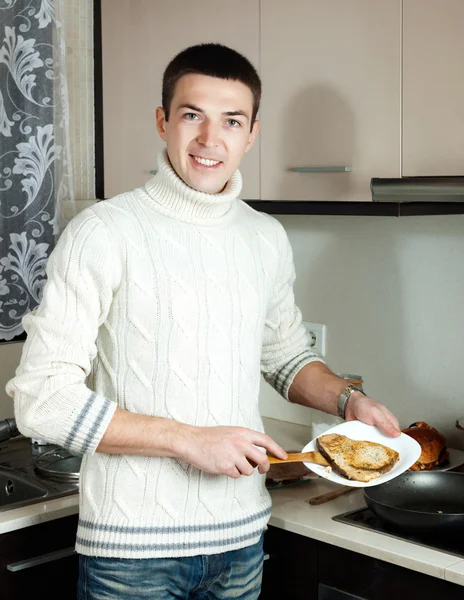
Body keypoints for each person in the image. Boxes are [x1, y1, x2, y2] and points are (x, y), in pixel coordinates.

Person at [6, 43, 400, 599]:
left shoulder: (265, 237)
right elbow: (41, 400)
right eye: (193, 115)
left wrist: (347, 401)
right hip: (133, 557)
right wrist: (189, 441)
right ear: (163, 121)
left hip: (242, 545)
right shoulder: (103, 233)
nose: (211, 140)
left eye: (231, 121)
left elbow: (285, 355)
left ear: (251, 133)